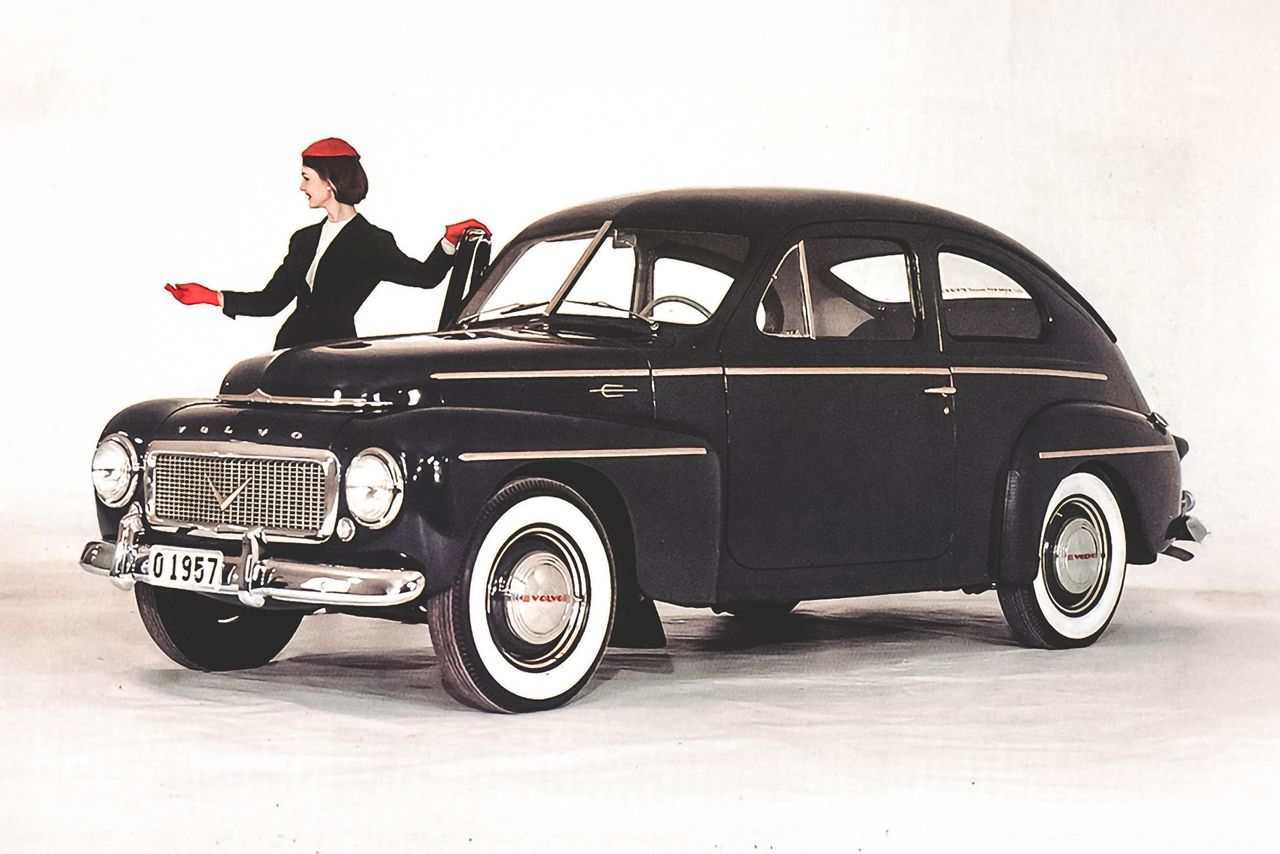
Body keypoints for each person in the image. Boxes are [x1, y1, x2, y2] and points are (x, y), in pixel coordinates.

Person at [165, 137, 488, 349]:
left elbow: (424, 277)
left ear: (331, 181)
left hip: (336, 355)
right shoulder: (302, 240)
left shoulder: (371, 242)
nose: (301, 186)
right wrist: (209, 296)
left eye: (306, 177)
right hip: (287, 351)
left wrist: (449, 240)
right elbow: (270, 301)